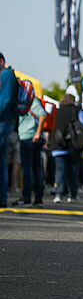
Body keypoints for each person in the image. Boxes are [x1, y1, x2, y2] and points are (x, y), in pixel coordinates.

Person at [49, 93, 83, 203]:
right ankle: (72, 195)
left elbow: (50, 125)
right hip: (73, 144)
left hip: (57, 144)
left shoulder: (56, 111)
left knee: (59, 171)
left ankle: (58, 194)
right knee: (72, 171)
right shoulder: (77, 110)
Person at [14, 95, 47, 206]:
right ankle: (37, 198)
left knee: (28, 169)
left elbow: (42, 115)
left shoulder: (30, 100)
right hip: (32, 137)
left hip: (29, 137)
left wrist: (37, 133)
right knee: (36, 169)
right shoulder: (28, 99)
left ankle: (27, 197)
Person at [0, 52, 17, 208]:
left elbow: (4, 99)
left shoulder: (5, 75)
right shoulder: (7, 75)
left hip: (3, 121)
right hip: (7, 121)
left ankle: (2, 197)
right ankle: (2, 197)